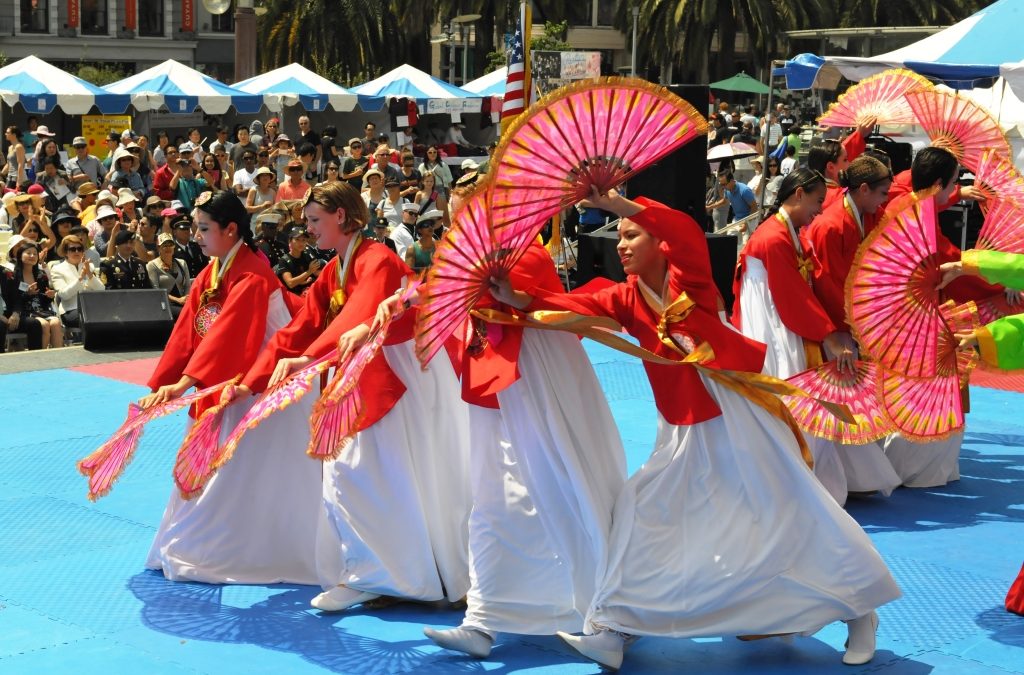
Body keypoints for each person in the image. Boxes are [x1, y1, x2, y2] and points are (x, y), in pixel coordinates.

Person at [489, 187, 899, 669]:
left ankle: (860, 611)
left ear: (658, 243)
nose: (620, 244)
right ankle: (614, 629)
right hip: (681, 429)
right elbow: (568, 306)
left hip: (737, 418)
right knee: (643, 513)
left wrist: (618, 202)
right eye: (618, 236)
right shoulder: (624, 297)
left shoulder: (692, 283)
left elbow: (683, 232)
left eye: (631, 234)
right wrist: (513, 296)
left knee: (792, 512)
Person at [231, 181, 471, 612]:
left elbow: (361, 313)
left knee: (381, 474)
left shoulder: (377, 258)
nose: (307, 229)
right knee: (359, 474)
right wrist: (254, 377)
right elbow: (303, 322)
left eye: (313, 221)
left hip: (396, 376)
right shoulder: (335, 268)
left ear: (340, 216)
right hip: (365, 373)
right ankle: (382, 574)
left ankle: (404, 574)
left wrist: (306, 359)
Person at [421, 227, 626, 660]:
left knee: (560, 491)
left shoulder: (525, 255)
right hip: (494, 387)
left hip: (535, 381)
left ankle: (607, 620)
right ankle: (484, 618)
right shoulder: (486, 253)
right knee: (493, 502)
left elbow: (516, 301)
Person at [144, 190, 317, 584]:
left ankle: (245, 548)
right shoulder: (213, 271)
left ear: (231, 229)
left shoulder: (252, 272)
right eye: (196, 228)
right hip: (236, 374)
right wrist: (165, 383)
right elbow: (190, 328)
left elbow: (229, 331)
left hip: (264, 377)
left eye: (204, 228)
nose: (198, 236)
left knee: (255, 462)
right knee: (232, 461)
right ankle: (214, 540)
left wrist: (187, 382)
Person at [732, 168, 871, 502]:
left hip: (780, 316)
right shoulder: (774, 237)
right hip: (774, 320)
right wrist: (829, 334)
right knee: (792, 389)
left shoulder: (785, 230)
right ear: (798, 194)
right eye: (817, 200)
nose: (820, 209)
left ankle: (794, 476)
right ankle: (793, 478)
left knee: (794, 393)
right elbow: (792, 292)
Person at [798, 157, 904, 496]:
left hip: (856, 314)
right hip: (836, 321)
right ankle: (846, 477)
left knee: (855, 397)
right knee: (840, 399)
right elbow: (827, 282)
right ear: (862, 189)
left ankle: (855, 476)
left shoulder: (865, 214)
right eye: (881, 193)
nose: (885, 199)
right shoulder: (831, 225)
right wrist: (840, 332)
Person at [11, 241, 62, 348]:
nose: (32, 256)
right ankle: (41, 358)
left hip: (41, 310)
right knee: (43, 325)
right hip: (23, 312)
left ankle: (58, 356)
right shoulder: (14, 276)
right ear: (20, 256)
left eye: (35, 253)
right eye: (28, 253)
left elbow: (43, 299)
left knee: (56, 323)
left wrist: (49, 296)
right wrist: (27, 294)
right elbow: (14, 299)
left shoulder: (41, 275)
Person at [50, 233, 103, 329]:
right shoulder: (57, 269)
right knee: (91, 319)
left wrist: (90, 275)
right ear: (65, 252)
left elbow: (101, 290)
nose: (77, 251)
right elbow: (64, 294)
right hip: (71, 310)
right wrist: (81, 277)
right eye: (72, 249)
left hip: (92, 308)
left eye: (80, 249)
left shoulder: (89, 266)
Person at [147, 232, 191, 320]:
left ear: (174, 247)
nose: (168, 247)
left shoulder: (182, 263)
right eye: (164, 245)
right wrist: (178, 300)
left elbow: (187, 285)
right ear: (158, 248)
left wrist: (186, 299)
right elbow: (156, 291)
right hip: (165, 304)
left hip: (183, 302)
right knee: (186, 314)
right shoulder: (152, 265)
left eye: (170, 244)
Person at [275, 226, 321, 295]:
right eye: (297, 239)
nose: (301, 243)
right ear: (290, 241)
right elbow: (290, 283)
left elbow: (316, 272)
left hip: (310, 292)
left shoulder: (308, 254)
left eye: (303, 240)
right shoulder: (284, 260)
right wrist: (309, 272)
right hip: (294, 296)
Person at [170, 214, 210, 278]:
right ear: (175, 232)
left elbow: (206, 266)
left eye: (188, 228)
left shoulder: (197, 246)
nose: (187, 231)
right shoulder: (172, 250)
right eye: (183, 229)